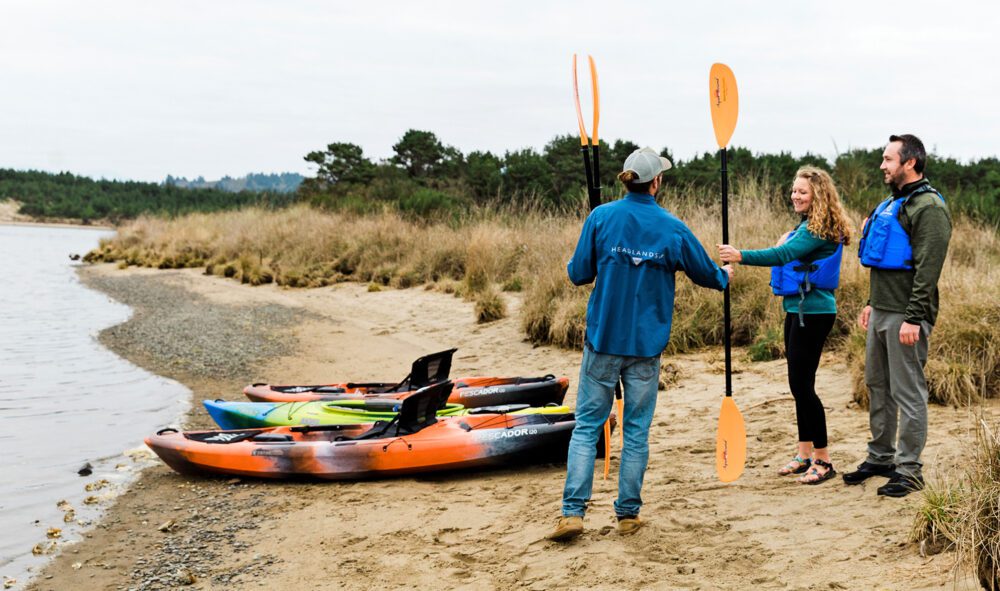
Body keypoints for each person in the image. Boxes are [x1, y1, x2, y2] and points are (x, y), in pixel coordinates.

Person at [548, 147, 733, 542]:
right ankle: (627, 514)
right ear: (657, 182)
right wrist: (726, 274)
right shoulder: (672, 228)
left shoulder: (601, 218)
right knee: (636, 431)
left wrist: (588, 258)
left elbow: (578, 273)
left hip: (603, 341)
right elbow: (709, 275)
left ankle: (572, 513)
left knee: (586, 428)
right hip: (645, 348)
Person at [718, 166, 852, 485]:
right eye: (794, 190)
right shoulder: (807, 225)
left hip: (814, 313)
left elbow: (783, 254)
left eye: (802, 191)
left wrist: (739, 255)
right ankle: (804, 453)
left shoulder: (818, 230)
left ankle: (823, 459)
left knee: (804, 387)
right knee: (797, 385)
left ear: (817, 196)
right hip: (797, 310)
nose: (795, 195)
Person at [844, 134, 951, 498]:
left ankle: (909, 469)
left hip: (907, 317)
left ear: (910, 163)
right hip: (881, 311)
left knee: (908, 393)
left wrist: (914, 318)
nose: (882, 165)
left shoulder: (929, 208)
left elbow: (928, 269)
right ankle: (880, 457)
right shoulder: (892, 204)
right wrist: (872, 302)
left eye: (889, 159)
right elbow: (884, 264)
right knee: (878, 386)